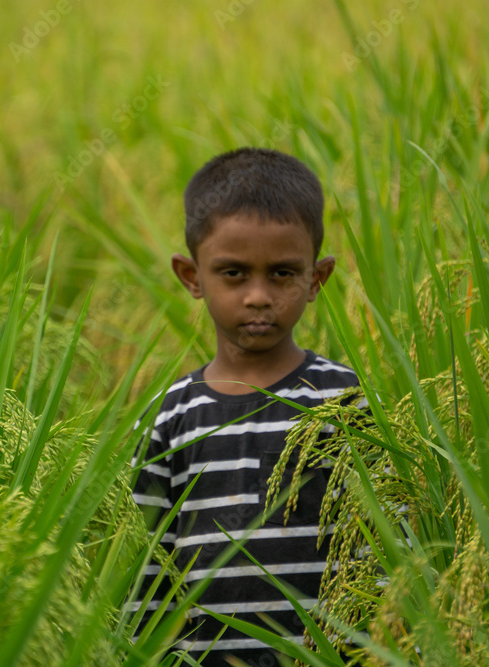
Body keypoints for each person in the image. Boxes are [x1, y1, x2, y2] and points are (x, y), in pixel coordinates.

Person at [130, 147, 361, 666]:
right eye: (234, 274)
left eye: (282, 274)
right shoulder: (170, 416)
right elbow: (146, 571)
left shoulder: (341, 401)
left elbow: (382, 548)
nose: (259, 296)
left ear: (316, 278)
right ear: (192, 277)